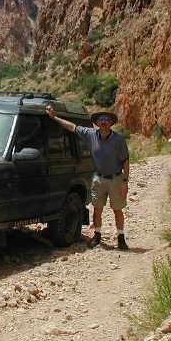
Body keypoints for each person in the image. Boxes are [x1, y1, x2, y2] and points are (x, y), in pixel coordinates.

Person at [46, 104, 130, 250]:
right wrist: (54, 117)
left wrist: (125, 181)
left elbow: (125, 161)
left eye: (107, 119)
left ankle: (121, 238)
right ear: (97, 122)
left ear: (111, 122)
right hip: (98, 179)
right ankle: (97, 236)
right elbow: (72, 127)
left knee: (117, 210)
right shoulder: (90, 134)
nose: (103, 122)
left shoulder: (118, 140)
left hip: (116, 178)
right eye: (101, 119)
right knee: (97, 210)